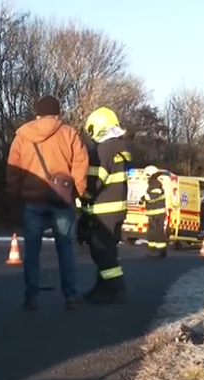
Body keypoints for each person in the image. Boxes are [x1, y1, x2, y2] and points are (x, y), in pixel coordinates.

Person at [6, 95, 88, 310]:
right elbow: (81, 164)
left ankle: (31, 296)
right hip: (62, 199)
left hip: (32, 199)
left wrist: (15, 193)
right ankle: (70, 295)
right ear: (57, 113)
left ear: (37, 114)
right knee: (65, 248)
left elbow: (13, 168)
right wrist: (77, 191)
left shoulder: (22, 136)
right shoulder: (69, 133)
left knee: (32, 250)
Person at [78, 106, 133, 305]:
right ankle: (101, 288)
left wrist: (82, 196)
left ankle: (115, 288)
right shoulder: (122, 148)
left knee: (102, 252)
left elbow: (95, 182)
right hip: (117, 209)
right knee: (108, 249)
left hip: (103, 210)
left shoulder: (103, 150)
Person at [142, 166, 169, 257]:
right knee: (152, 232)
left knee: (157, 232)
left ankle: (160, 251)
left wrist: (144, 198)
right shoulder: (153, 182)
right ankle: (153, 250)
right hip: (154, 213)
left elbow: (154, 195)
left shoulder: (155, 182)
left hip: (158, 213)